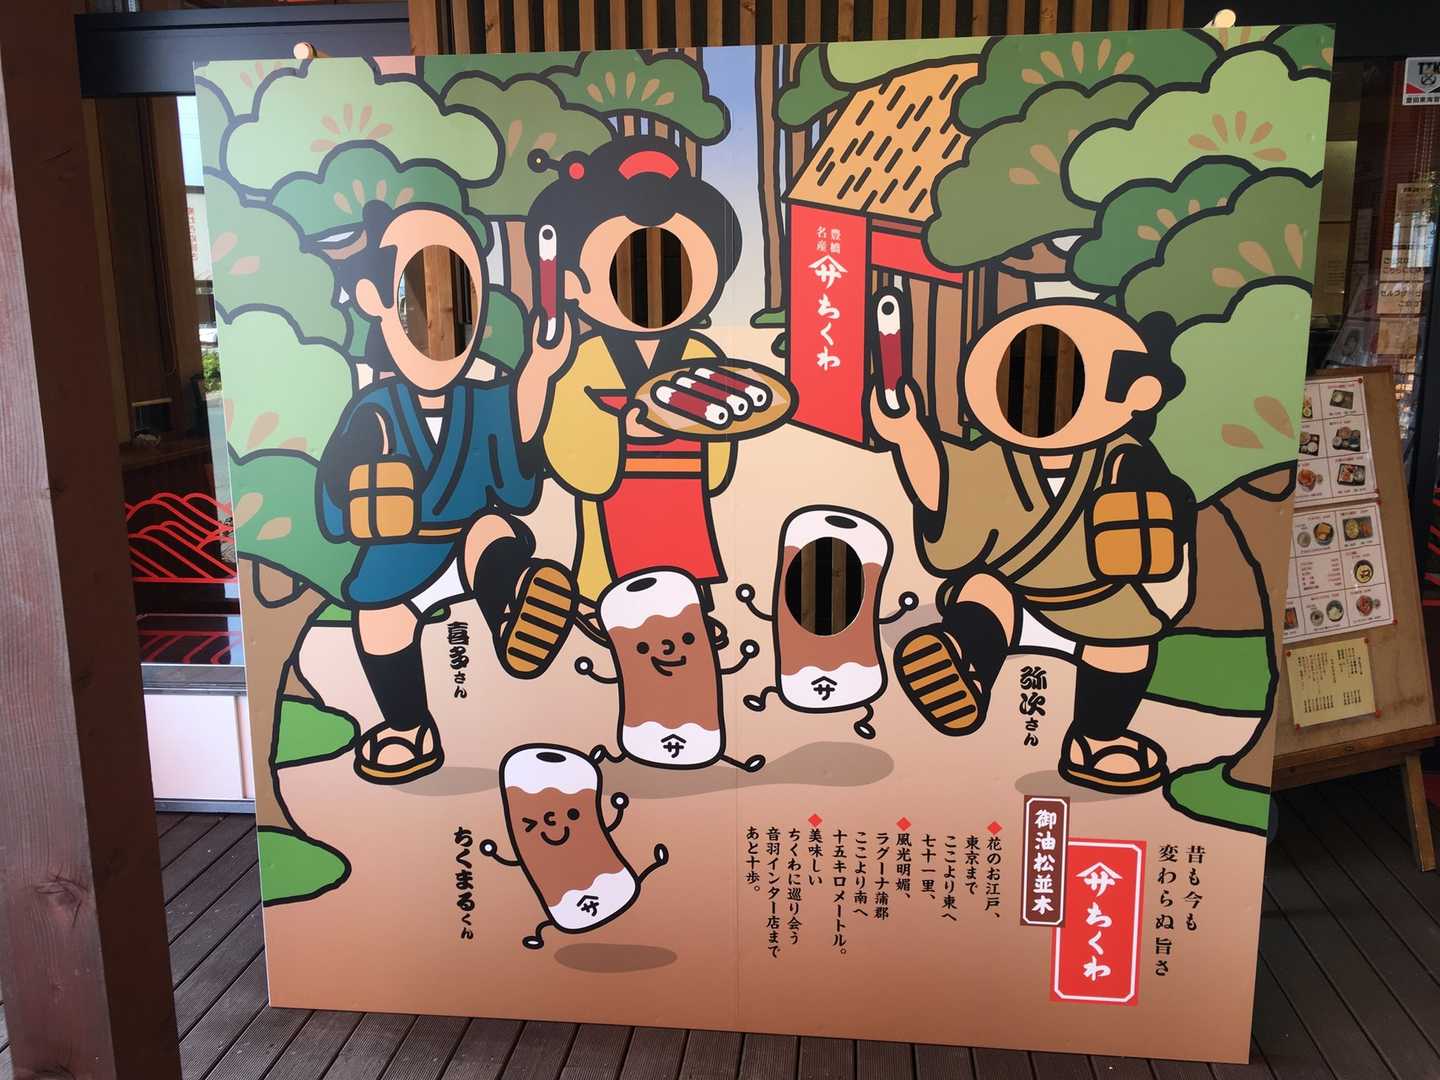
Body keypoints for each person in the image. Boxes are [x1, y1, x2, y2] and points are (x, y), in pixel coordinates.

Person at [870, 302, 1196, 794]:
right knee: (983, 592)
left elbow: (1161, 523)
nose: (1032, 394)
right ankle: (962, 663)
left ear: (1138, 395)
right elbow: (942, 487)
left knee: (1127, 644)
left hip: (1099, 604)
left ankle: (1095, 740)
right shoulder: (997, 459)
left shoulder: (1124, 460)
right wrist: (909, 434)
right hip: (1017, 594)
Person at [318, 199, 578, 785]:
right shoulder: (375, 410)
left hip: (467, 542)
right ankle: (409, 727)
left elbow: (516, 431)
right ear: (376, 299)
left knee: (491, 530)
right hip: (400, 552)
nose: (440, 325)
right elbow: (338, 484)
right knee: (380, 619)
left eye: (462, 296)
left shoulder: (478, 400)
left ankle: (512, 609)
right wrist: (359, 488)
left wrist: (541, 367)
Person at [527, 137, 745, 643]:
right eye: (630, 265)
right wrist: (620, 432)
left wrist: (710, 429)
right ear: (573, 283)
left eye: (676, 264)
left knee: (684, 543)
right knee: (609, 554)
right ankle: (600, 601)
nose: (655, 285)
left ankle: (684, 606)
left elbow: (721, 437)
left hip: (683, 481)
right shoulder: (584, 359)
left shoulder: (699, 354)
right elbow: (571, 447)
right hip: (616, 485)